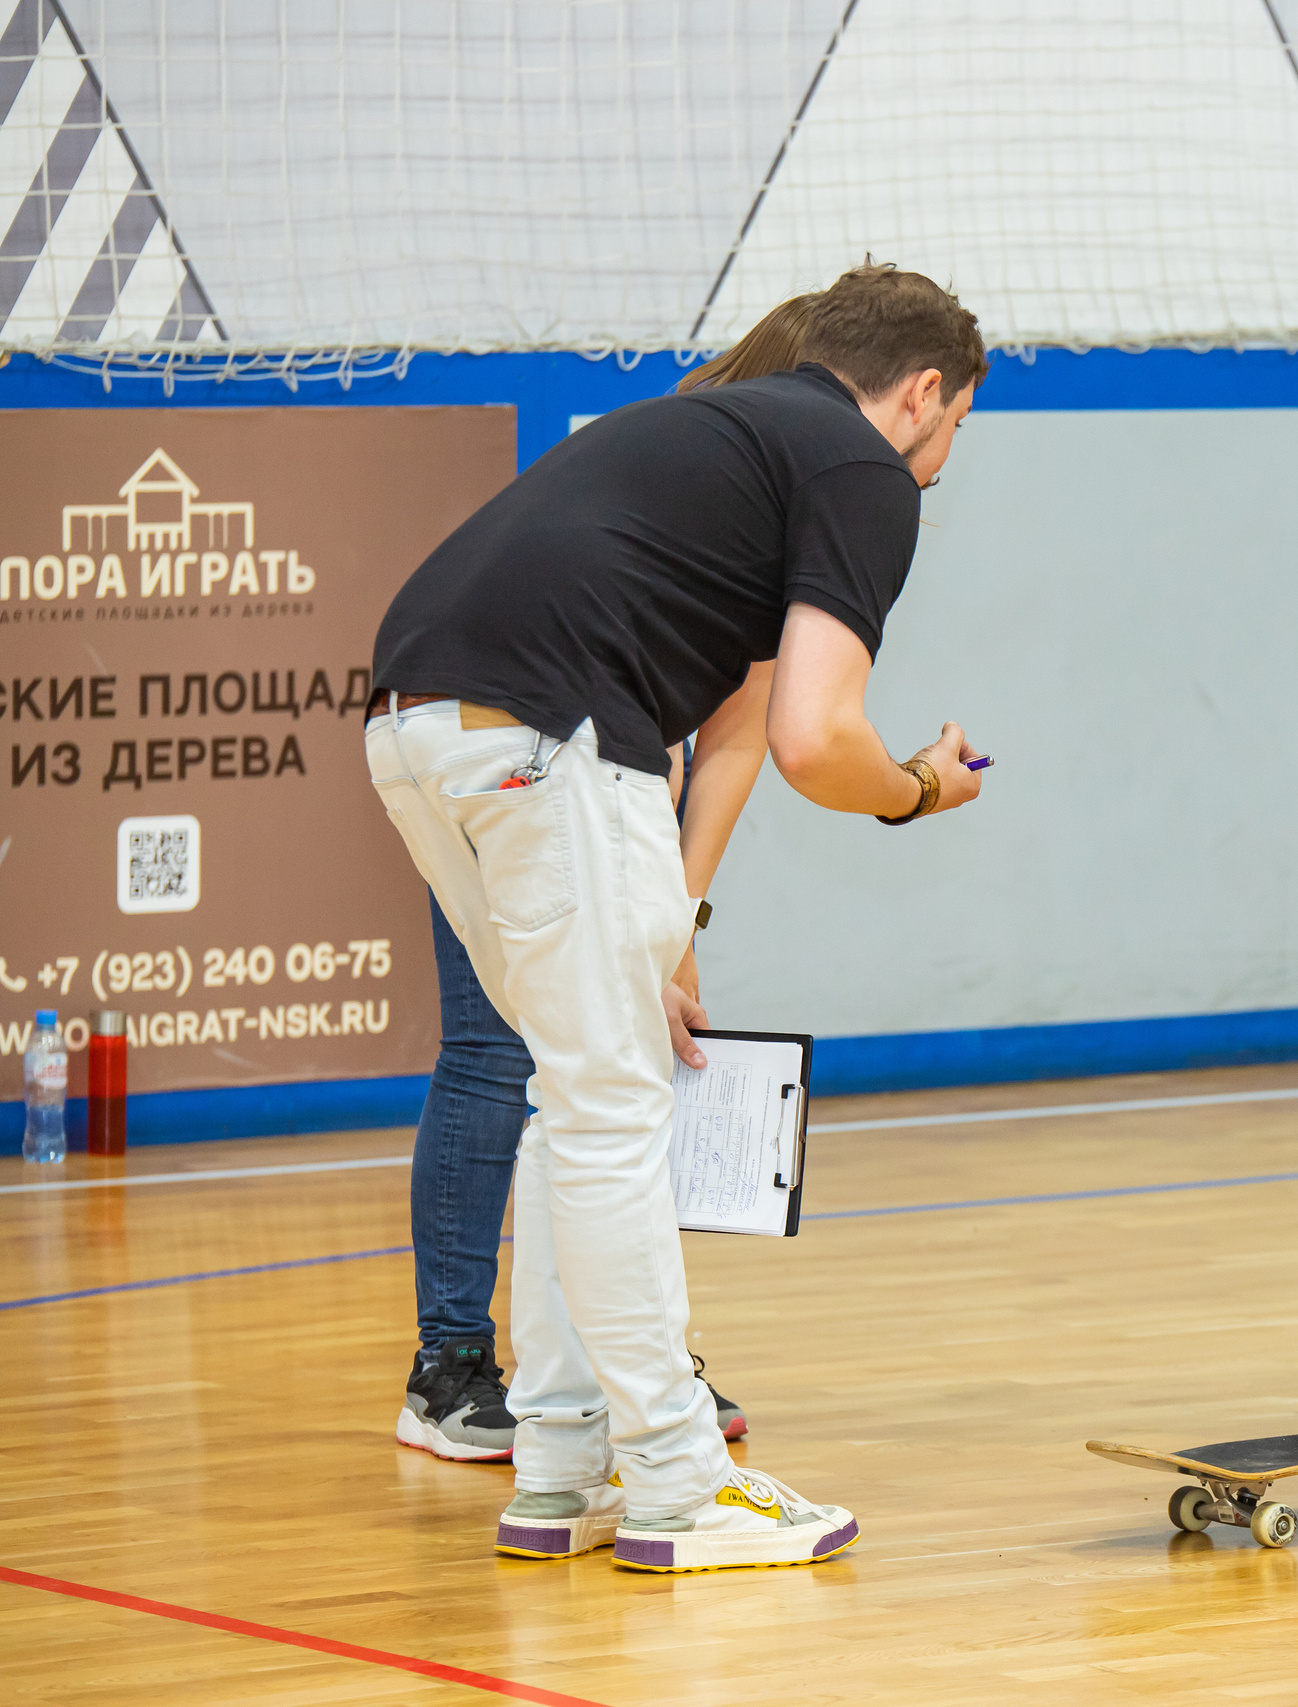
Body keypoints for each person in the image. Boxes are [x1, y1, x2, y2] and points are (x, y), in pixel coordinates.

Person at [367, 262, 989, 1573]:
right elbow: (826, 740)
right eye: (957, 426)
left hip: (418, 723)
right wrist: (918, 789)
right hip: (551, 735)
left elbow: (749, 725)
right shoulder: (861, 468)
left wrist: (673, 919)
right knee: (604, 1109)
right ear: (925, 392)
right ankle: (676, 1480)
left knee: (572, 1090)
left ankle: (558, 1465)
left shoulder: (722, 437)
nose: (944, 462)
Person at [393, 299, 824, 1467]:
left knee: (582, 1082)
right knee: (529, 1062)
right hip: (527, 757)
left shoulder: (724, 469)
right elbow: (693, 732)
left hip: (514, 755)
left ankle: (590, 1384)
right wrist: (667, 926)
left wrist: (670, 921)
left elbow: (712, 725)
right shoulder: (740, 473)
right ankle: (471, 1371)